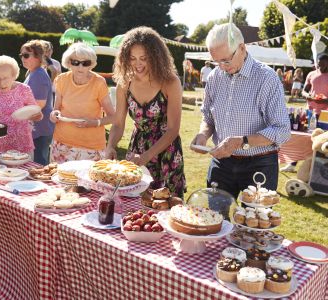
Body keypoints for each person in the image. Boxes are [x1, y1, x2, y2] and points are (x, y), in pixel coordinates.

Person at [191, 23, 291, 199]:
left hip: (259, 163)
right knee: (217, 220)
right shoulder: (215, 77)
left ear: (242, 48)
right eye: (216, 61)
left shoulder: (267, 78)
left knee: (253, 224)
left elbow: (282, 130)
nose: (221, 66)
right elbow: (208, 115)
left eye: (226, 60)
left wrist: (242, 141)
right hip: (222, 163)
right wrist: (203, 134)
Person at [105, 26, 186, 198]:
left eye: (144, 58)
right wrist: (111, 145)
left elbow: (173, 129)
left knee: (166, 206)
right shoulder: (124, 83)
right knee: (134, 206)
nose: (137, 64)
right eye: (132, 58)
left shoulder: (170, 82)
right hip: (137, 149)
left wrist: (146, 156)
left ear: (156, 57)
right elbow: (118, 123)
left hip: (167, 152)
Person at [49, 42, 115, 163]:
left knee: (88, 182)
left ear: (91, 65)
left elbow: (113, 117)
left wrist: (95, 123)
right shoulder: (61, 80)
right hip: (61, 144)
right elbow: (56, 109)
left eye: (85, 63)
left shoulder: (98, 82)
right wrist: (54, 115)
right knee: (58, 180)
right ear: (69, 63)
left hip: (90, 147)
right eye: (76, 62)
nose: (80, 67)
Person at [0, 55, 43, 154]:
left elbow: (36, 113)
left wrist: (37, 116)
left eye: (5, 78)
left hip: (22, 142)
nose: (1, 82)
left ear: (14, 75)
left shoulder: (24, 90)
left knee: (25, 169)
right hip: (0, 143)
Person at [281, 53, 328, 173]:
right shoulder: (312, 74)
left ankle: (319, 169)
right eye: (318, 64)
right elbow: (304, 91)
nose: (320, 67)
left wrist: (325, 100)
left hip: (325, 114)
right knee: (304, 138)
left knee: (322, 140)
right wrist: (309, 96)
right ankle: (292, 164)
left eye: (323, 65)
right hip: (310, 111)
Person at [20, 40, 54, 165]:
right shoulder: (33, 73)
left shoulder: (38, 75)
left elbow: (39, 104)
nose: (23, 58)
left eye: (26, 55)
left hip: (40, 127)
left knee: (39, 165)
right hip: (39, 127)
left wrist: (17, 111)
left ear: (38, 57)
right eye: (22, 55)